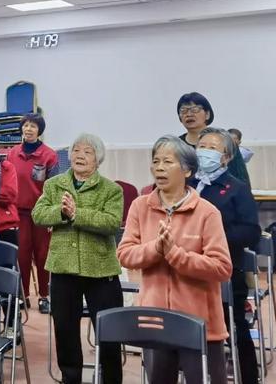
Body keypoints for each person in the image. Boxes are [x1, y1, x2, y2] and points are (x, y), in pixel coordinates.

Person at [118, 135, 232, 384]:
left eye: (167, 161)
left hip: (201, 326)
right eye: (155, 161)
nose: (159, 167)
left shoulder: (207, 212)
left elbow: (222, 267)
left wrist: (175, 254)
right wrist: (156, 249)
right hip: (156, 322)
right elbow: (125, 254)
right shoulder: (140, 206)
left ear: (187, 169)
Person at [32, 134, 124, 384]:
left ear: (98, 159)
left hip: (101, 271)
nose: (80, 156)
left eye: (88, 152)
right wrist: (60, 213)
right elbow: (38, 214)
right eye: (76, 151)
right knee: (65, 332)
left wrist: (77, 214)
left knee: (109, 334)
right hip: (63, 270)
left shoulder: (111, 189)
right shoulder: (54, 184)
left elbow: (111, 222)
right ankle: (70, 379)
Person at [190, 127, 260, 384]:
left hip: (225, 270)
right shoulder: (185, 184)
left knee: (236, 329)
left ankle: (249, 378)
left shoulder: (235, 188)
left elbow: (251, 231)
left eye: (211, 147)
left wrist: (211, 239)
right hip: (186, 271)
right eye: (201, 146)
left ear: (226, 157)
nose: (204, 151)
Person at [7, 113, 59, 314]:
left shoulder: (49, 155)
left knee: (43, 255)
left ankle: (45, 296)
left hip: (41, 213)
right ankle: (23, 295)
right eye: (26, 125)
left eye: (33, 126)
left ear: (40, 131)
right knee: (22, 255)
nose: (28, 129)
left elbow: (54, 187)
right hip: (18, 214)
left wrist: (52, 215)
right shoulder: (12, 153)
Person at [176, 92, 250, 186]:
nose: (189, 114)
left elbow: (241, 179)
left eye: (195, 109)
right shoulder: (176, 146)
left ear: (207, 114)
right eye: (183, 110)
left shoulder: (225, 141)